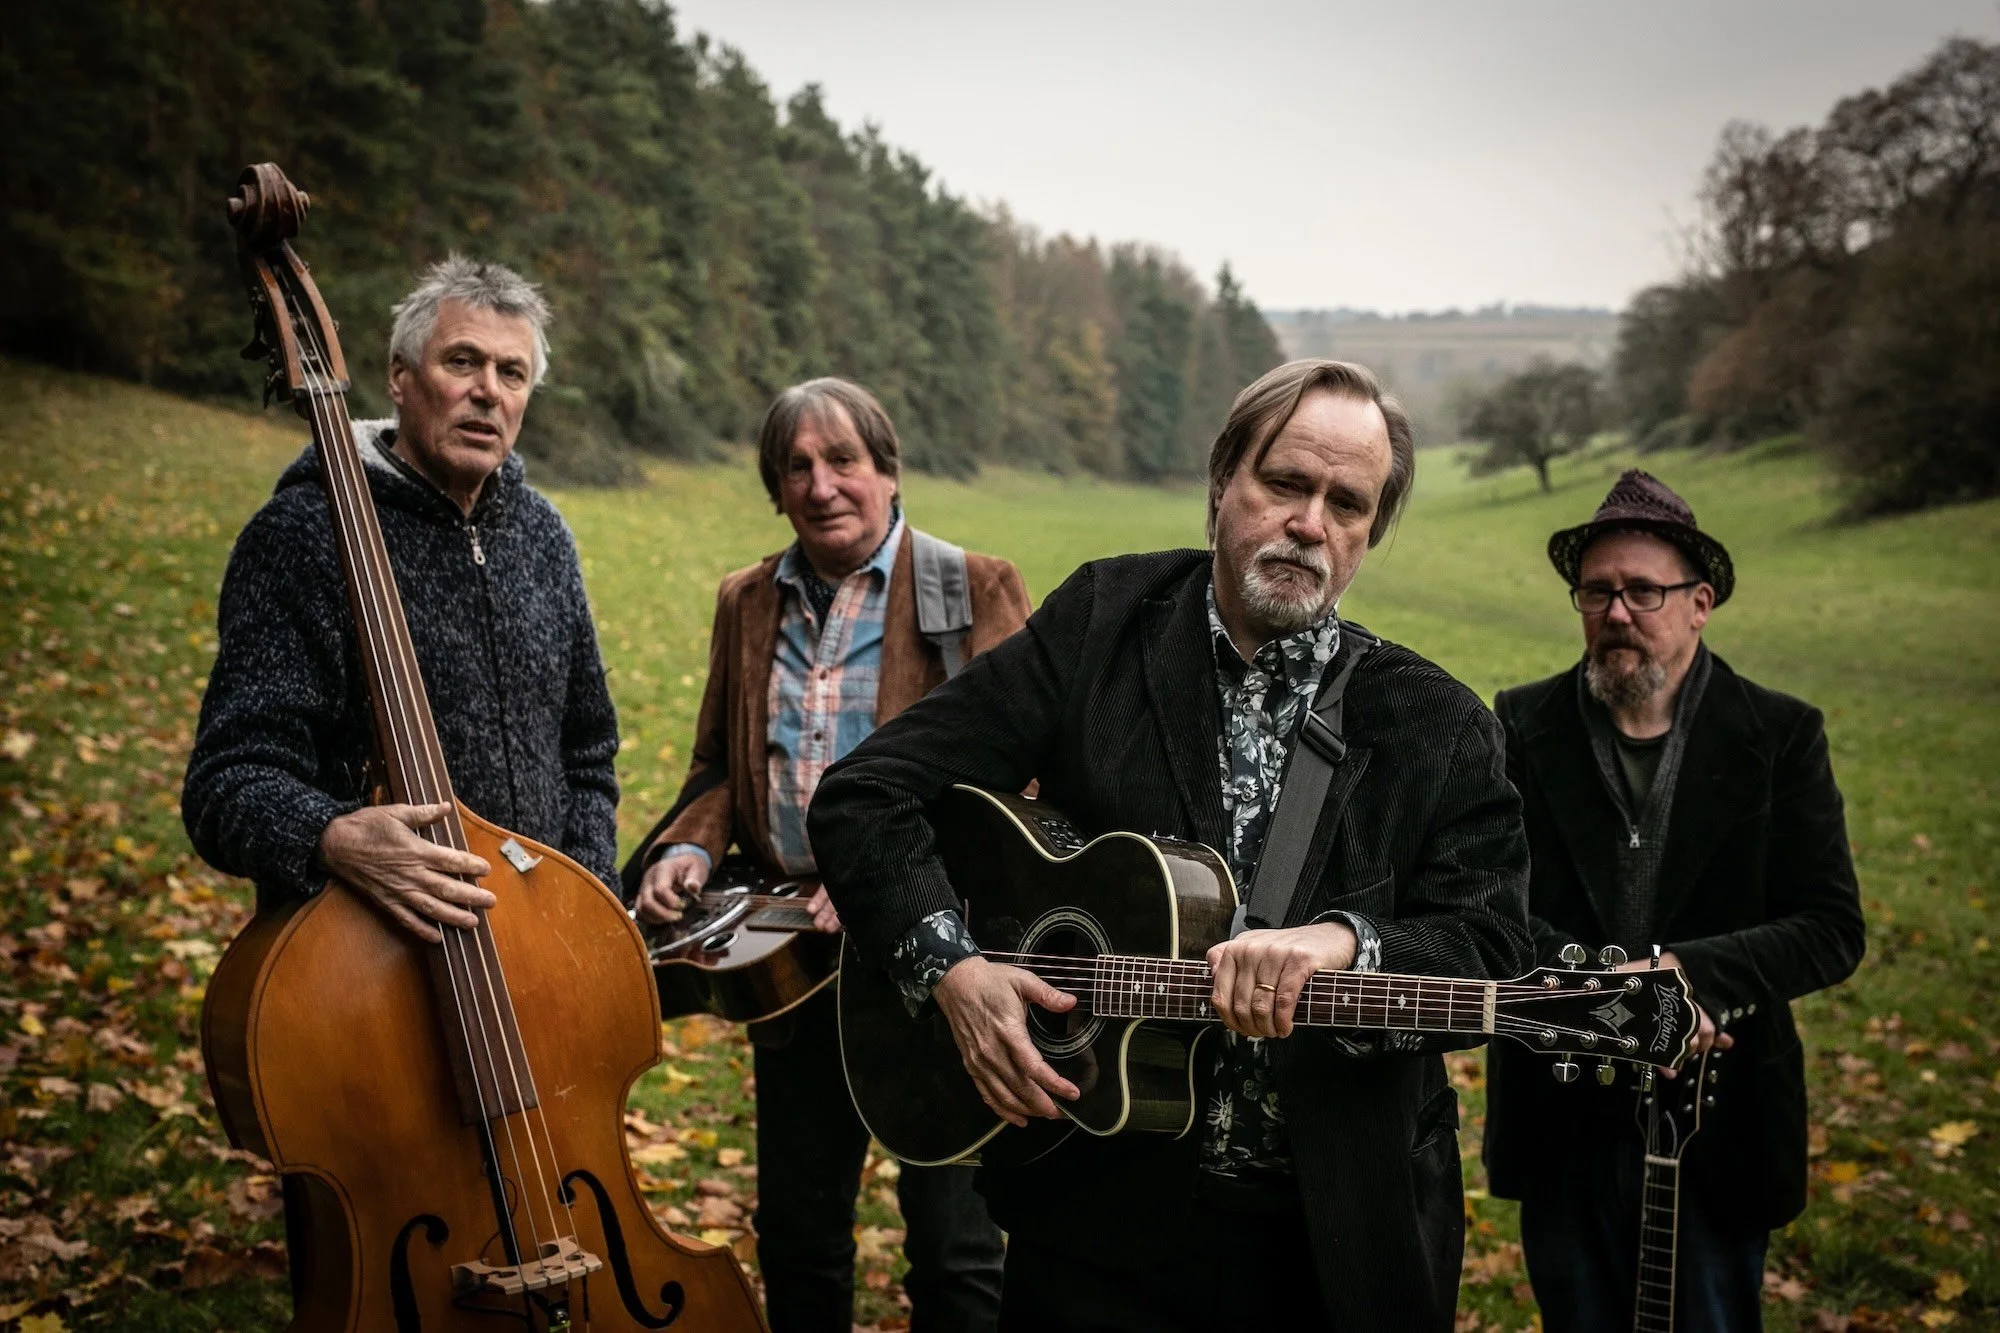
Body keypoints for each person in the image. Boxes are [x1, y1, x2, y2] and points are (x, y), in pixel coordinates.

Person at [808, 359, 1534, 1333]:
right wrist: (951, 968)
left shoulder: (1435, 725)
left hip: (1332, 1242)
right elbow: (864, 793)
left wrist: (1346, 943)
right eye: (1284, 483)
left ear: (1368, 531)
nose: (1309, 523)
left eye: (1346, 503)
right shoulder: (1101, 625)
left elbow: (1492, 944)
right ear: (1222, 480)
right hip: (1092, 1226)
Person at [628, 377, 1028, 1333]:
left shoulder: (969, 587)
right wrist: (688, 842)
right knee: (800, 1232)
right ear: (775, 488)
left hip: (942, 965)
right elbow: (721, 763)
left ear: (888, 472)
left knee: (955, 1246)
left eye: (843, 459)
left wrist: (887, 876)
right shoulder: (746, 599)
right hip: (792, 966)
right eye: (795, 466)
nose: (821, 484)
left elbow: (1027, 789)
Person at [1481, 470, 1865, 1332]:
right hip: (1561, 1116)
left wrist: (1685, 975)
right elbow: (1491, 900)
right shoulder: (1519, 725)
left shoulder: (1779, 733)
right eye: (1598, 590)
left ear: (1700, 603)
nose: (1617, 612)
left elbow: (1831, 927)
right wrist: (1611, 995)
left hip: (1721, 1125)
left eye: (1643, 591)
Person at [185, 253, 617, 925]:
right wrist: (327, 833)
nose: (488, 392)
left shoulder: (544, 536)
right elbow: (227, 782)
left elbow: (587, 756)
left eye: (512, 373)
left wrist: (588, 907)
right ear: (400, 377)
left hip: (539, 961)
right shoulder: (304, 534)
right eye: (462, 362)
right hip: (366, 969)